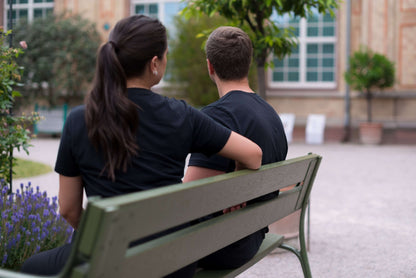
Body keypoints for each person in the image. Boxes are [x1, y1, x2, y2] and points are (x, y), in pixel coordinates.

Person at [21, 16, 262, 277]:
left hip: (109, 261)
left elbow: (68, 209)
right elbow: (253, 155)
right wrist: (238, 174)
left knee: (30, 268)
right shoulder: (182, 115)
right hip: (174, 263)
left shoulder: (81, 119)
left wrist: (101, 242)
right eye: (166, 55)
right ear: (154, 64)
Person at [183, 26, 288, 270]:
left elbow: (188, 199)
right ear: (247, 64)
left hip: (223, 245)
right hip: (251, 235)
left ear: (210, 67)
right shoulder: (270, 114)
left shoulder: (215, 117)